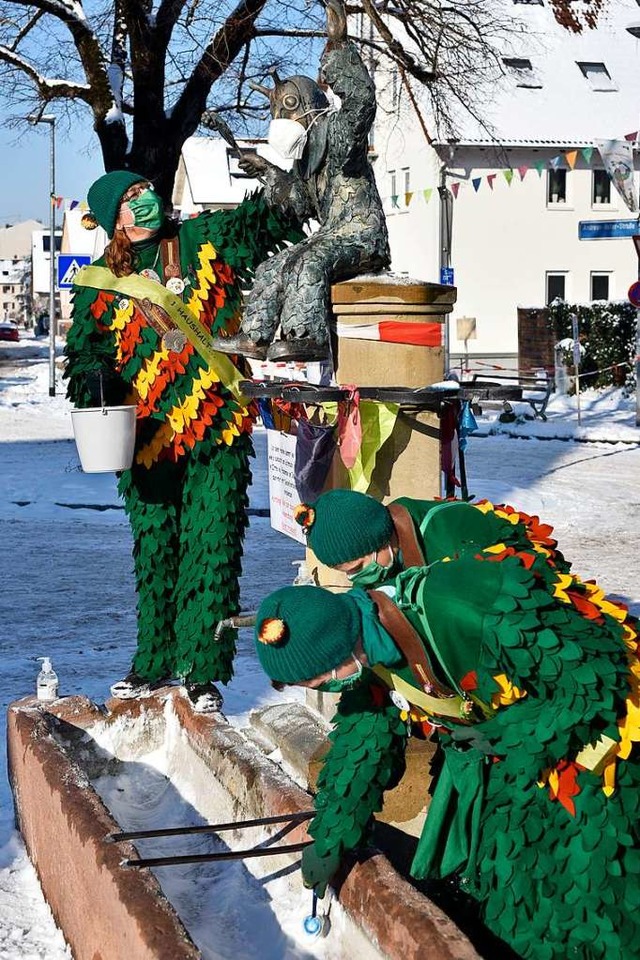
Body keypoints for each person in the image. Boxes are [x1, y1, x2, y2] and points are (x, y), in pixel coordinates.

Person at [253, 547, 640, 960]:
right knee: (507, 884)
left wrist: (505, 733)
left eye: (317, 678)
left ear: (339, 648)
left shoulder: (461, 607)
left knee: (585, 898)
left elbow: (595, 677)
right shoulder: (367, 654)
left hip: (597, 755)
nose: (321, 689)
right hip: (511, 762)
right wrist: (330, 838)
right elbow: (362, 751)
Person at [65, 171, 301, 711]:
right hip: (144, 437)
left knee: (212, 548)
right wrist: (93, 380)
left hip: (218, 427)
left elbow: (258, 224)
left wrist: (290, 179)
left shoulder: (200, 240)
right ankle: (152, 661)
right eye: (130, 199)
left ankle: (201, 669)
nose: (145, 200)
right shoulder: (99, 281)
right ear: (114, 220)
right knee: (155, 550)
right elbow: (86, 352)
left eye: (145, 190)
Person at [213, 0, 390, 362]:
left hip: (362, 236)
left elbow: (361, 102)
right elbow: (300, 204)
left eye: (288, 106)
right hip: (330, 236)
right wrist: (266, 169)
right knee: (273, 266)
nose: (281, 118)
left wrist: (338, 47)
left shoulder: (338, 134)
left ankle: (307, 337)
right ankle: (255, 337)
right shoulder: (305, 157)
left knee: (308, 263)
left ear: (308, 102)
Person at [293, 488, 570, 588]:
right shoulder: (388, 546)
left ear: (380, 540)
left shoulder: (446, 538)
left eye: (358, 568)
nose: (356, 579)